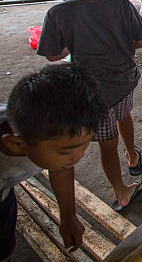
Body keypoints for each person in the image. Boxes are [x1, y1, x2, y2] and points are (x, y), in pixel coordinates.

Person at [37, 0, 142, 212]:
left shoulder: (58, 14)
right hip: (124, 82)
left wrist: (74, 43)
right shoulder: (120, 3)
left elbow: (53, 55)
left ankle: (121, 191)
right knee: (124, 114)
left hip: (93, 94)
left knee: (106, 143)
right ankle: (133, 156)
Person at [1, 64, 107, 260]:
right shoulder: (34, 132)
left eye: (84, 146)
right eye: (67, 152)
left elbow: (61, 170)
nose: (78, 157)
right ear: (15, 144)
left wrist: (68, 215)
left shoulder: (43, 135)